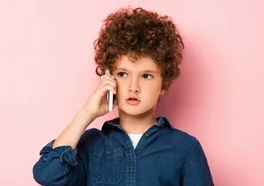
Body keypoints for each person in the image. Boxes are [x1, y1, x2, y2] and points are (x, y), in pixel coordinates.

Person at [32, 7, 214, 186]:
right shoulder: (91, 144)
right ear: (109, 77)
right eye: (123, 74)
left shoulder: (185, 148)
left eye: (146, 76)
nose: (133, 87)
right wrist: (87, 113)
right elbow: (48, 175)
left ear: (163, 84)